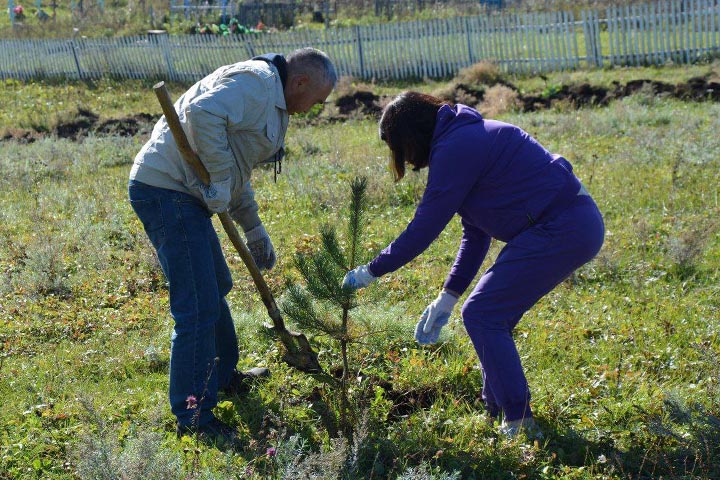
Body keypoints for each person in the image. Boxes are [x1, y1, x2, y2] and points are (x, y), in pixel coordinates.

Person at [343, 91, 604, 437]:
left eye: (398, 147)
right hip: (562, 224)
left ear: (411, 135)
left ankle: (520, 422)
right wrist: (448, 295)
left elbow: (425, 226)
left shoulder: (457, 146)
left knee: (483, 313)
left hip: (562, 225)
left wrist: (371, 270)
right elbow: (476, 233)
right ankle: (497, 409)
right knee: (489, 314)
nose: (402, 158)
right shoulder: (462, 138)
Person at [128, 48, 337, 446]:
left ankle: (222, 377)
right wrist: (220, 180)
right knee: (198, 306)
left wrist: (253, 226)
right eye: (318, 100)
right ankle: (194, 414)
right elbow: (203, 114)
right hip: (166, 190)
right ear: (302, 82)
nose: (315, 108)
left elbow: (234, 166)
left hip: (185, 193)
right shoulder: (255, 83)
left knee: (216, 286)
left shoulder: (271, 100)